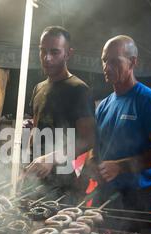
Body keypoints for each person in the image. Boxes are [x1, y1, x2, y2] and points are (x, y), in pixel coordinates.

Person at [87, 35, 151, 213]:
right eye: (104, 61)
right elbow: (95, 146)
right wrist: (92, 163)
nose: (106, 67)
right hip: (105, 191)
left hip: (137, 196)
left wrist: (119, 167)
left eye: (113, 61)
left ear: (132, 62)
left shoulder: (148, 100)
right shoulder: (103, 105)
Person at [23, 26, 95, 201]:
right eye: (43, 51)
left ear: (68, 54)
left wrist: (51, 158)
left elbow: (88, 140)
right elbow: (37, 128)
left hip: (62, 184)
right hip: (34, 179)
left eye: (54, 52)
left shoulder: (79, 89)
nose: (47, 58)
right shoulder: (38, 88)